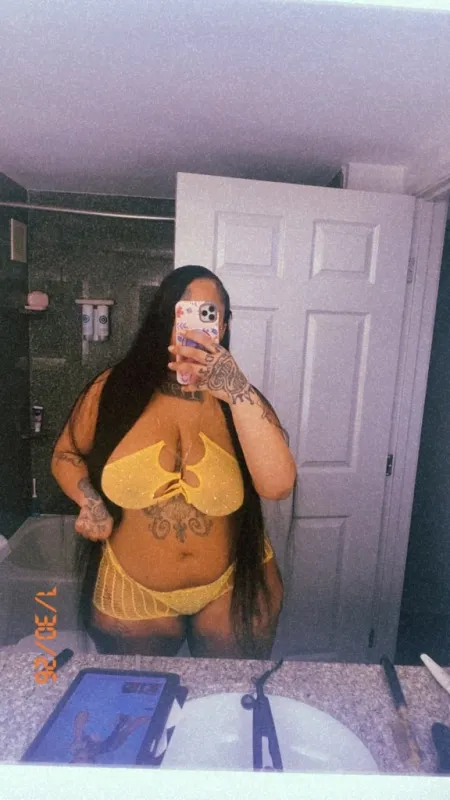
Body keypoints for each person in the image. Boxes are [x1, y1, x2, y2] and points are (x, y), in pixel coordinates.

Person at [51, 265, 297, 659]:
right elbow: (66, 454)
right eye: (184, 312)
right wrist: (89, 500)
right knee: (139, 695)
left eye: (209, 314)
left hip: (234, 584)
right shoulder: (114, 389)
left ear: (224, 325)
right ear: (164, 319)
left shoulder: (243, 401)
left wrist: (237, 392)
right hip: (131, 591)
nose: (195, 327)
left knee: (229, 693)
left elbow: (278, 486)